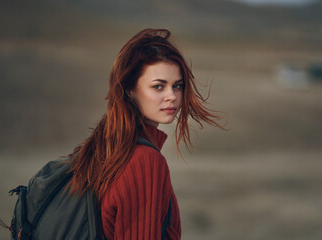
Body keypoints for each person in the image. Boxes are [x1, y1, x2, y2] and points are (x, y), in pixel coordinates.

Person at [67, 28, 223, 240]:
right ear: (129, 90)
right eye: (158, 86)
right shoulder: (144, 162)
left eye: (177, 86)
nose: (172, 96)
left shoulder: (109, 147)